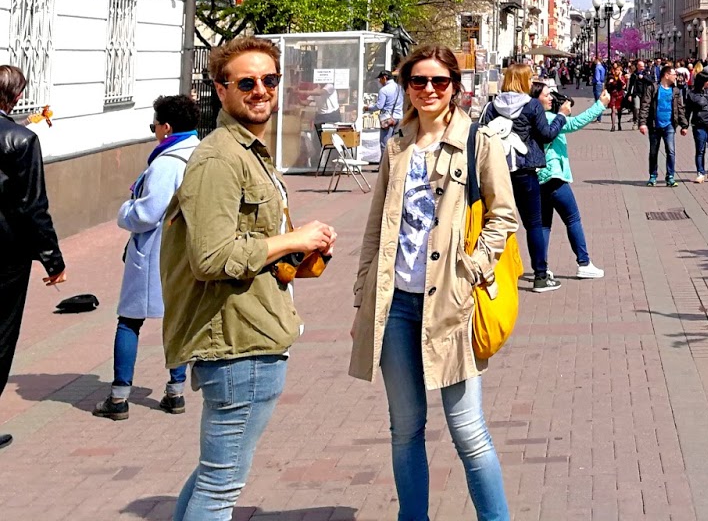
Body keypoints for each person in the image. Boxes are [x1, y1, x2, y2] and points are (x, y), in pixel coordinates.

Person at [162, 37, 338, 517]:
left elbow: (244, 242)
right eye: (246, 82)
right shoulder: (220, 158)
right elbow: (211, 257)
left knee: (213, 477)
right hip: (239, 343)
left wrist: (292, 252)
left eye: (269, 80)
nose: (260, 90)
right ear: (220, 90)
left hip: (252, 331)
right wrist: (291, 240)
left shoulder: (247, 150)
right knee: (221, 488)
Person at [349, 45, 515, 521]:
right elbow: (377, 225)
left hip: (452, 303)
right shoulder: (397, 145)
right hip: (397, 303)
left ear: (454, 88)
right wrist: (363, 299)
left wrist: (472, 268)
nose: (428, 90)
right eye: (417, 82)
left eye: (439, 82)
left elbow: (504, 217)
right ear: (406, 87)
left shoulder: (478, 143)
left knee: (468, 431)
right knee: (405, 429)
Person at [93, 95, 201, 422]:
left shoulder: (167, 162)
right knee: (178, 319)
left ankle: (119, 396)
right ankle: (175, 391)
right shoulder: (199, 152)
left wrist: (125, 212)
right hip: (185, 249)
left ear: (166, 127)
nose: (153, 130)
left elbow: (148, 212)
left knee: (129, 320)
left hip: (157, 250)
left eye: (154, 124)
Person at [0, 65, 67, 452]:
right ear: (15, 97)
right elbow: (33, 206)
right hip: (5, 255)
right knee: (1, 336)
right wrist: (52, 260)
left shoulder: (19, 135)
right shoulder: (21, 140)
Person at [481, 64, 563, 293]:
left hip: (497, 172)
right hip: (525, 171)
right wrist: (561, 117)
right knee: (533, 224)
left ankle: (492, 272)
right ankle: (540, 276)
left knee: (496, 222)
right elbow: (546, 135)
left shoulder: (492, 106)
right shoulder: (532, 105)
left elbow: (483, 136)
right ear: (524, 81)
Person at [536, 86, 605, 281]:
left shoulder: (534, 118)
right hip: (554, 176)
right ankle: (584, 263)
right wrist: (600, 105)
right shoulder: (549, 119)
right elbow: (575, 123)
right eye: (547, 95)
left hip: (540, 177)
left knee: (543, 225)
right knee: (573, 219)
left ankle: (542, 267)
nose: (551, 98)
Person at [641, 65, 688, 187]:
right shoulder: (653, 88)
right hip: (655, 125)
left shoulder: (675, 90)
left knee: (671, 151)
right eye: (674, 74)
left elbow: (680, 108)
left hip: (669, 125)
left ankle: (670, 176)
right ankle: (653, 176)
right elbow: (645, 105)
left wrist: (684, 125)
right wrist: (642, 123)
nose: (676, 77)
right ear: (666, 75)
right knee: (653, 152)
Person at [375, 70, 403, 146]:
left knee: (384, 143)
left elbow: (379, 106)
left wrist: (368, 108)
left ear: (384, 78)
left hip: (387, 119)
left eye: (380, 79)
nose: (379, 81)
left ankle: (385, 158)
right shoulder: (400, 88)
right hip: (399, 118)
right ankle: (397, 158)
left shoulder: (383, 90)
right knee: (398, 142)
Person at [605, 64, 627, 130]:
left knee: (619, 111)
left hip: (620, 95)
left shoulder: (622, 77)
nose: (616, 71)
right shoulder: (611, 77)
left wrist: (620, 77)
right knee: (613, 110)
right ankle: (613, 126)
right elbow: (607, 85)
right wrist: (610, 83)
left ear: (620, 71)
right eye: (616, 70)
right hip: (613, 95)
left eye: (618, 70)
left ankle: (619, 123)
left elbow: (623, 84)